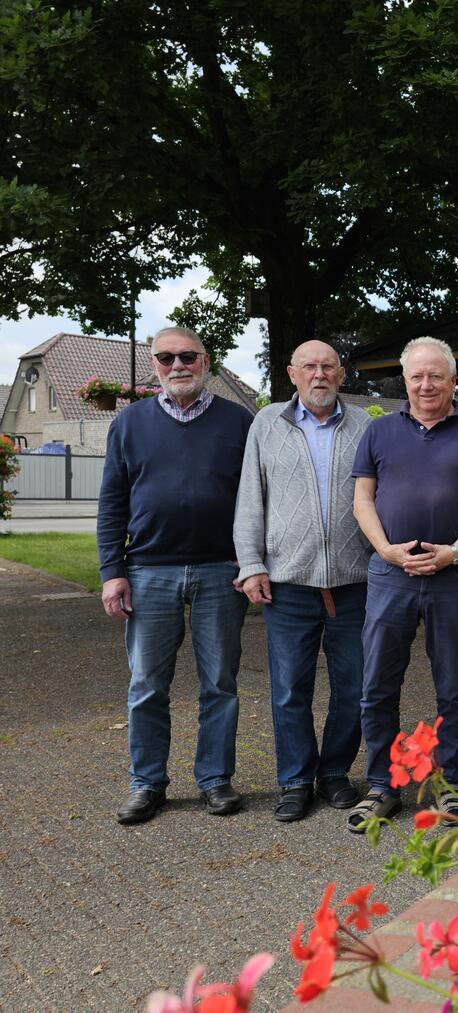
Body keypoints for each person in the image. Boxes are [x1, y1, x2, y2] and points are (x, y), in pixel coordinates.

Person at [348, 337, 458, 831]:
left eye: (436, 375)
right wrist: (385, 550)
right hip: (390, 574)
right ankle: (382, 785)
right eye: (416, 376)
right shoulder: (378, 432)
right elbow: (362, 501)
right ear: (406, 380)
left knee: (453, 686)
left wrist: (457, 551)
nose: (425, 384)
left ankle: (449, 784)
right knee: (377, 683)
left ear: (452, 380)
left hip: (453, 576)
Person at [98, 326, 254, 825]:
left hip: (220, 571)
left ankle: (215, 780)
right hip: (148, 571)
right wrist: (112, 572)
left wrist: (251, 561)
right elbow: (112, 503)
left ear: (206, 362)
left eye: (188, 356)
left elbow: (255, 501)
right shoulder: (129, 423)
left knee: (220, 683)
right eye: (166, 357)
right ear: (155, 364)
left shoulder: (238, 422)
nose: (177, 365)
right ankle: (147, 784)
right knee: (146, 684)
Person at [233, 340, 372, 822]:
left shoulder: (365, 427)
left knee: (353, 686)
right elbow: (250, 497)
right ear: (292, 374)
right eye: (309, 367)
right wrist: (250, 564)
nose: (319, 375)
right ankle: (295, 779)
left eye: (328, 366)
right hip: (288, 583)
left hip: (355, 584)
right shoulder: (266, 423)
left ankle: (334, 772)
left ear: (340, 373)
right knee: (290, 688)